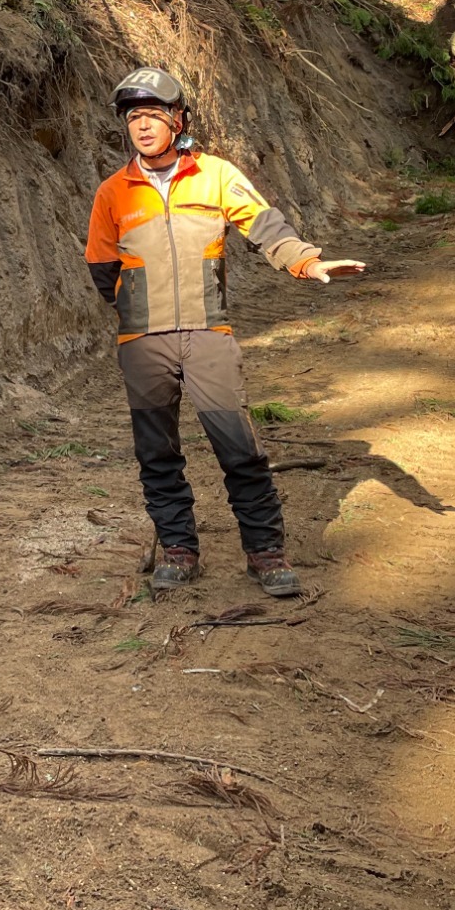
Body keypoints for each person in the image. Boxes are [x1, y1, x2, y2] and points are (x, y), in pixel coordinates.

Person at [84, 68, 364, 598]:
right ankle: (178, 549)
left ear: (177, 119)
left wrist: (307, 262)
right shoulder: (112, 193)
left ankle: (266, 553)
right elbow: (102, 266)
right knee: (156, 454)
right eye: (132, 117)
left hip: (209, 335)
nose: (142, 127)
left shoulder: (214, 175)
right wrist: (135, 315)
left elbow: (266, 227)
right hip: (142, 344)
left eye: (152, 115)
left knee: (238, 447)